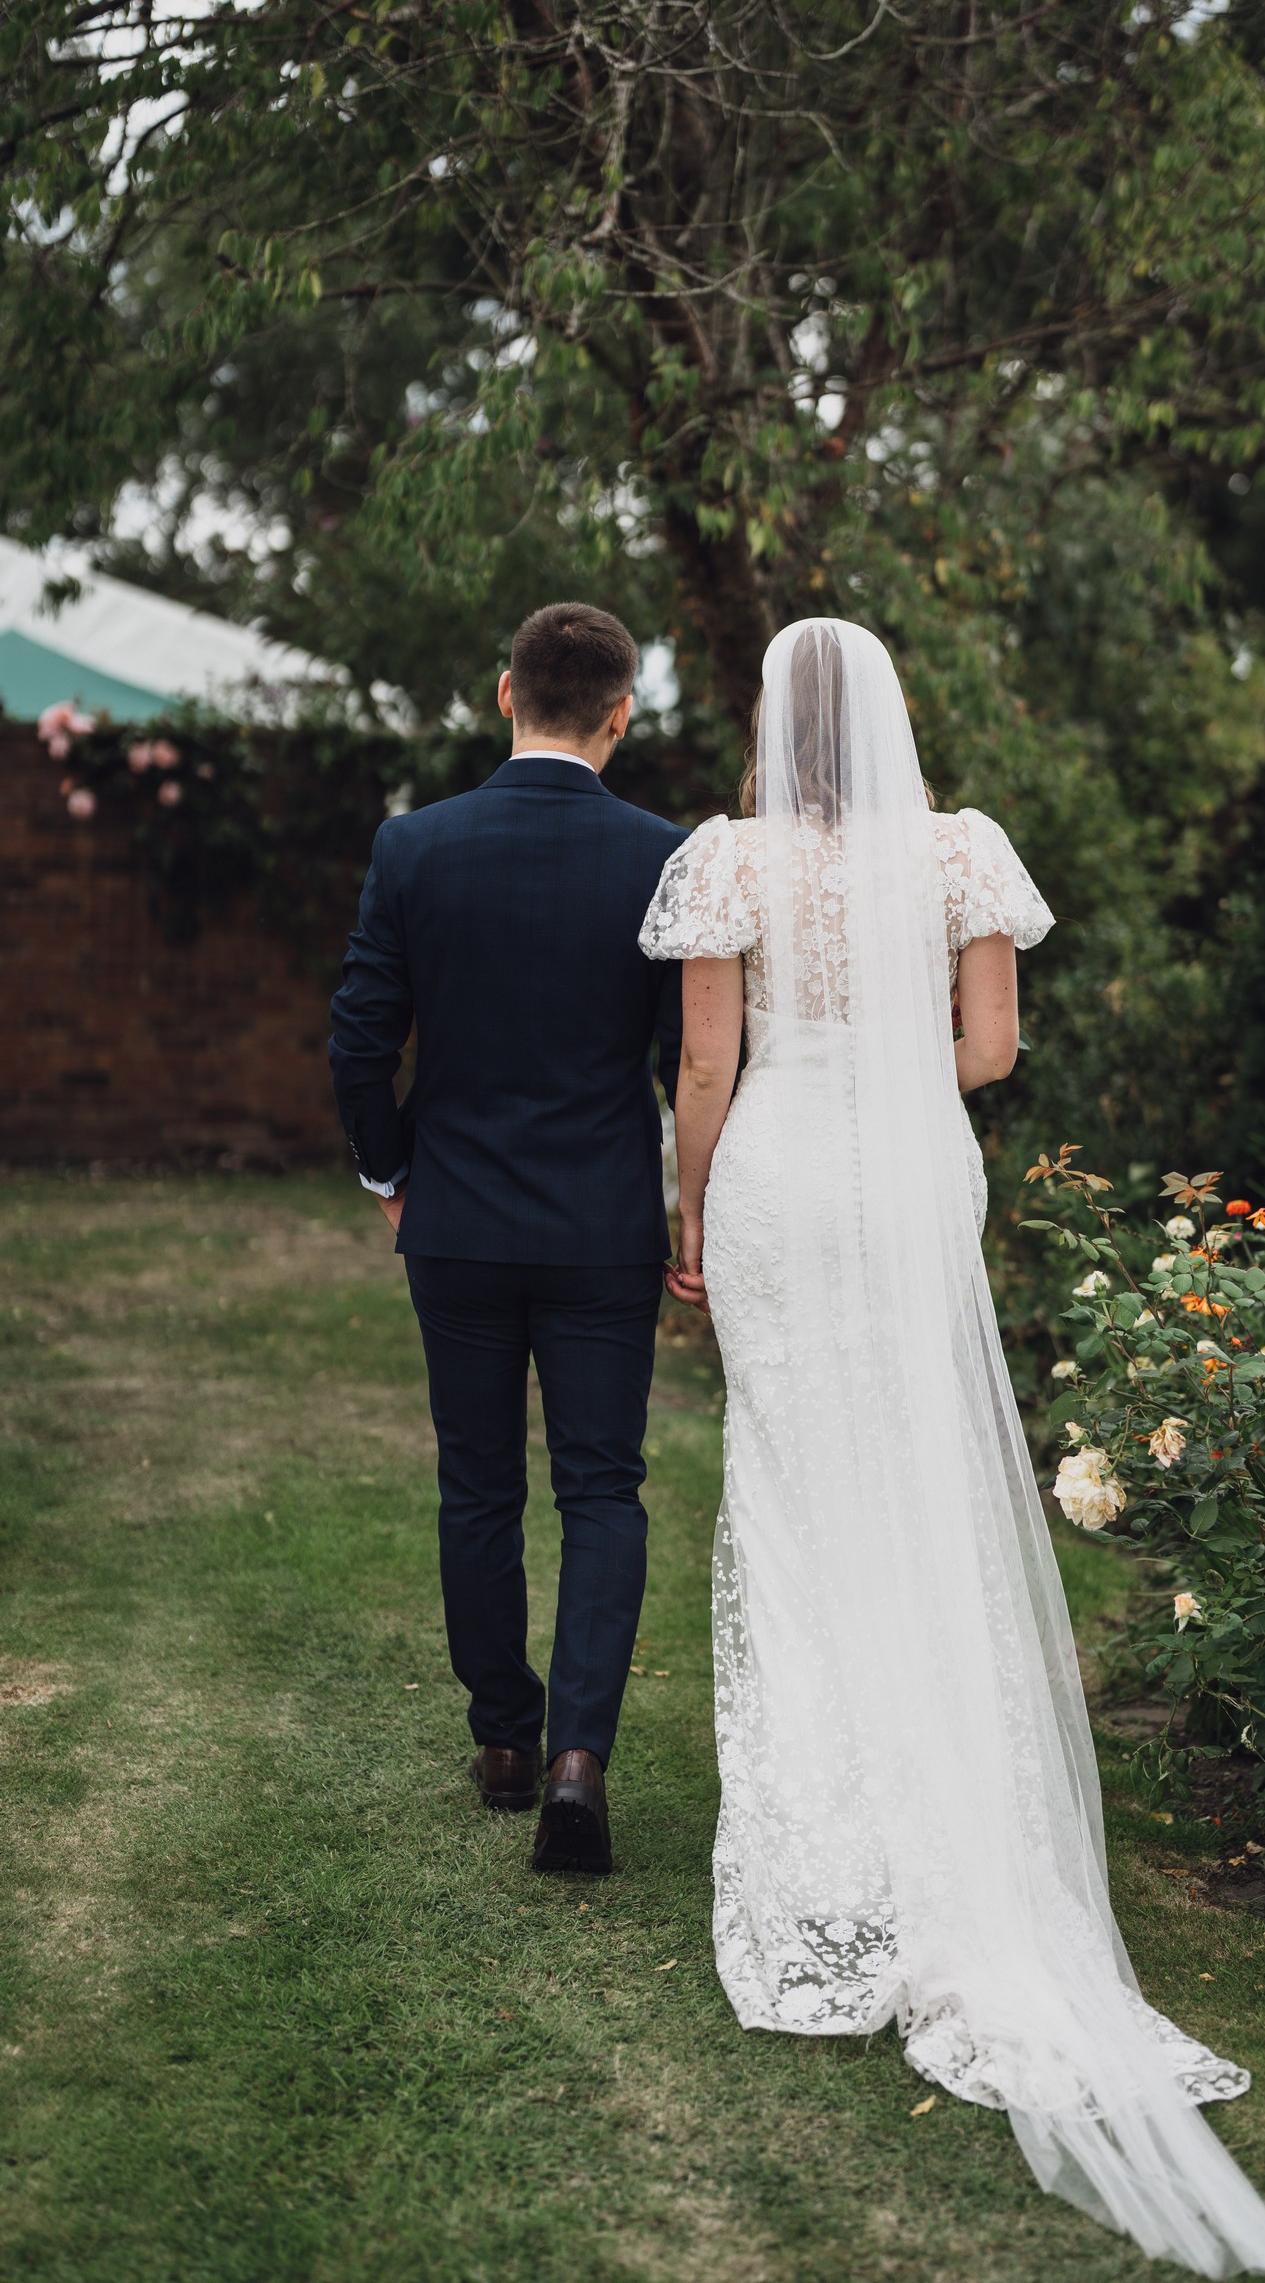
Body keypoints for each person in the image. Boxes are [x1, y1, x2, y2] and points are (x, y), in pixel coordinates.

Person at [637, 618, 1265, 2277]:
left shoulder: (725, 861)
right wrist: (882, 1086)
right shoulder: (960, 850)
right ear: (886, 717)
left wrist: (689, 1208)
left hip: (783, 1162)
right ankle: (948, 1840)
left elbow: (707, 1063)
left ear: (770, 722)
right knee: (919, 1481)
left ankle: (831, 1867)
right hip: (908, 1164)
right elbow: (990, 1054)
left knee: (796, 1499)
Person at [329, 602, 686, 1875]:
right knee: (601, 1488)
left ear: (503, 695)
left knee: (476, 1481)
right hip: (601, 1229)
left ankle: (502, 1740)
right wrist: (688, 1205)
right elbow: (686, 1057)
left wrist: (390, 1171)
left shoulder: (417, 846)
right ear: (620, 713)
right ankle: (579, 1760)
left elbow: (362, 1036)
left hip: (459, 1222)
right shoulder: (665, 854)